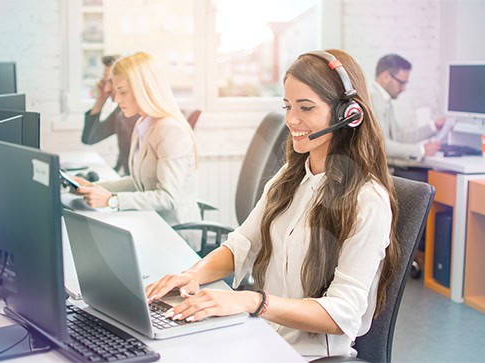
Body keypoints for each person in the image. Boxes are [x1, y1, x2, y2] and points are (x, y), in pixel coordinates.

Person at [145, 50, 400, 358]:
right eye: (287, 106)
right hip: (262, 334)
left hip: (309, 354)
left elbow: (343, 312)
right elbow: (242, 244)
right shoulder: (290, 176)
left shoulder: (367, 201)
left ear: (348, 114)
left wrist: (254, 301)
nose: (291, 120)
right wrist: (193, 274)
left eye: (305, 108)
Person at [73, 52, 201, 250]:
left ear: (143, 89)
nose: (116, 99)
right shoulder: (143, 124)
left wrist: (111, 200)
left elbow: (167, 197)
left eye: (122, 91)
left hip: (175, 236)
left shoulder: (170, 130)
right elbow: (139, 182)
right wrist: (96, 186)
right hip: (151, 223)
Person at [370, 54, 445, 162]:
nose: (404, 89)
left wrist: (433, 127)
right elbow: (381, 145)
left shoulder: (384, 99)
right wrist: (421, 150)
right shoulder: (373, 98)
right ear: (385, 77)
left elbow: (399, 137)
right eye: (402, 83)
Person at [81, 54, 140, 175]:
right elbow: (89, 138)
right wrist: (100, 101)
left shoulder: (139, 115)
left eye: (111, 81)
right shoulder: (120, 112)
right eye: (104, 82)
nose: (106, 88)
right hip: (122, 177)